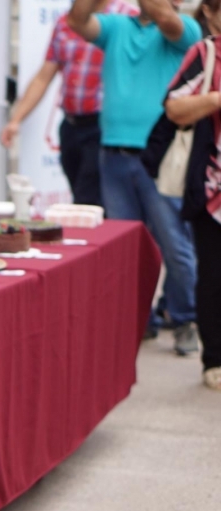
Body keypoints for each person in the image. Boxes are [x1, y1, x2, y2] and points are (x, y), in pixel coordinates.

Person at [69, 0, 201, 355]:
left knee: (174, 244)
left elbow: (163, 18)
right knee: (127, 248)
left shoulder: (185, 28)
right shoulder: (117, 26)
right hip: (112, 152)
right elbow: (77, 20)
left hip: (156, 155)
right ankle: (140, 320)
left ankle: (185, 318)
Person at [0, 0, 138, 207]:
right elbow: (43, 76)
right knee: (81, 194)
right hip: (71, 125)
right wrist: (16, 119)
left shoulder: (128, 17)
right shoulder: (66, 21)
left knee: (89, 197)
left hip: (105, 126)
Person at [161, 0, 221, 388]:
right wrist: (216, 99)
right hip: (213, 188)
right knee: (214, 275)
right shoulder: (206, 52)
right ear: (211, 15)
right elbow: (174, 107)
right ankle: (215, 359)